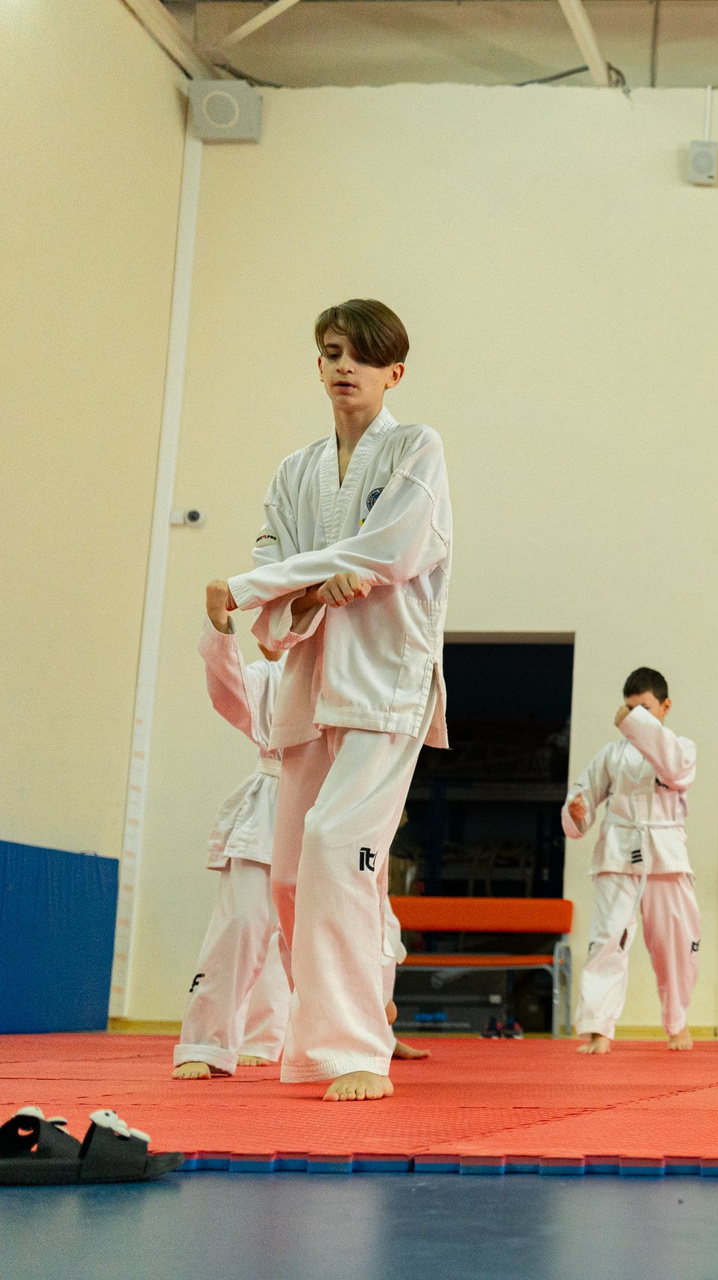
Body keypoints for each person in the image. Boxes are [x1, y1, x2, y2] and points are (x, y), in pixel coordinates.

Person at [213, 299, 452, 1102]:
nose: (346, 366)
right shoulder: (295, 471)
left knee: (335, 847)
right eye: (334, 352)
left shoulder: (417, 448)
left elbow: (393, 550)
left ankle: (354, 1049)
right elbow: (277, 581)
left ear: (395, 373)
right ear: (317, 365)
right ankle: (335, 1027)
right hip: (308, 687)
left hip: (385, 684)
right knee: (288, 877)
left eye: (365, 356)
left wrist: (255, 587)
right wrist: (304, 590)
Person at [172, 582, 292, 1079]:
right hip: (270, 805)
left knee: (311, 936)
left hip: (330, 809)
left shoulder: (347, 673)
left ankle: (275, 1036)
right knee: (241, 922)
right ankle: (207, 1041)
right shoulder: (272, 677)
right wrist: (221, 627)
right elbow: (231, 691)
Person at [563, 667, 699, 1053]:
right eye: (629, 708)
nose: (633, 716)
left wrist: (635, 724)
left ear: (666, 707)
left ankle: (677, 1023)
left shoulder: (681, 749)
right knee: (607, 939)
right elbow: (584, 795)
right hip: (618, 853)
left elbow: (674, 771)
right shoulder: (611, 754)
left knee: (676, 943)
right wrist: (578, 811)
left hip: (666, 856)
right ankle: (598, 1029)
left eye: (644, 709)